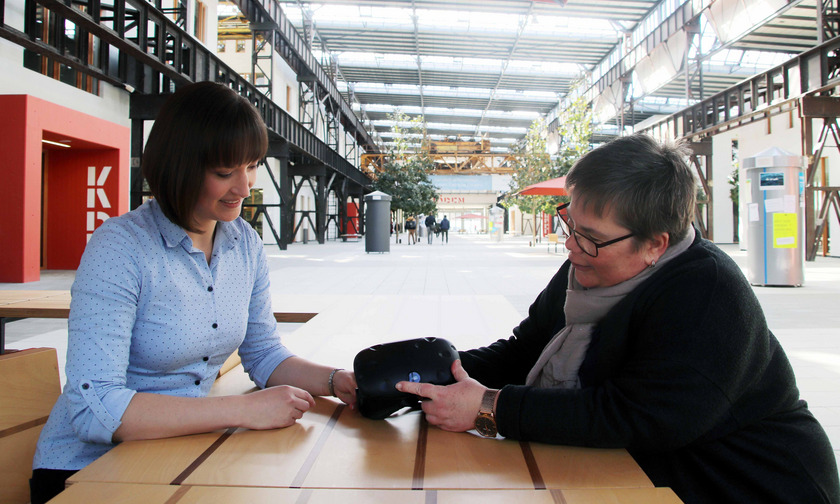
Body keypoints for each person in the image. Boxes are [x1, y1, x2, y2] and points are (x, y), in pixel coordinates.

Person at [397, 134, 840, 504]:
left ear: (655, 245)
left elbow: (640, 416)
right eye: (570, 224)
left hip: (746, 485)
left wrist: (491, 407)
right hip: (641, 471)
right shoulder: (587, 264)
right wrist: (418, 377)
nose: (572, 246)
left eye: (591, 238)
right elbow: (522, 349)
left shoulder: (708, 294)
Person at [30, 82, 357, 504]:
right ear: (179, 165)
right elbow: (96, 406)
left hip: (180, 452)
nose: (245, 186)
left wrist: (336, 381)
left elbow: (263, 353)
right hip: (85, 470)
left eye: (252, 166)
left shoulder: (245, 244)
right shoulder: (120, 247)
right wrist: (242, 411)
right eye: (224, 173)